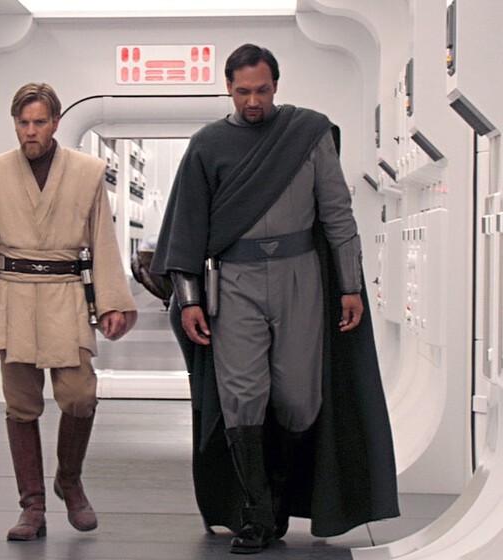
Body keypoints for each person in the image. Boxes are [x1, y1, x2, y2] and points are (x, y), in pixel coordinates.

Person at [152, 44, 399, 554]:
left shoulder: (308, 133)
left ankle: (282, 497)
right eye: (243, 91)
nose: (253, 101)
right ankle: (258, 514)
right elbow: (187, 226)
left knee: (299, 398)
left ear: (276, 86)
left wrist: (350, 286)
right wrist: (190, 299)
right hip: (234, 281)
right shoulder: (207, 144)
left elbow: (337, 213)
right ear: (227, 88)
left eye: (262, 90)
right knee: (241, 395)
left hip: (300, 275)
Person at [0, 82, 137, 541]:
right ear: (15, 124)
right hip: (16, 294)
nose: (30, 131)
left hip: (66, 292)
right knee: (21, 405)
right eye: (23, 123)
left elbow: (102, 240)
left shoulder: (87, 172)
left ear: (56, 123)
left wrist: (112, 303)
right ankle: (32, 507)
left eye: (39, 122)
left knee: (79, 395)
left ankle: (69, 480)